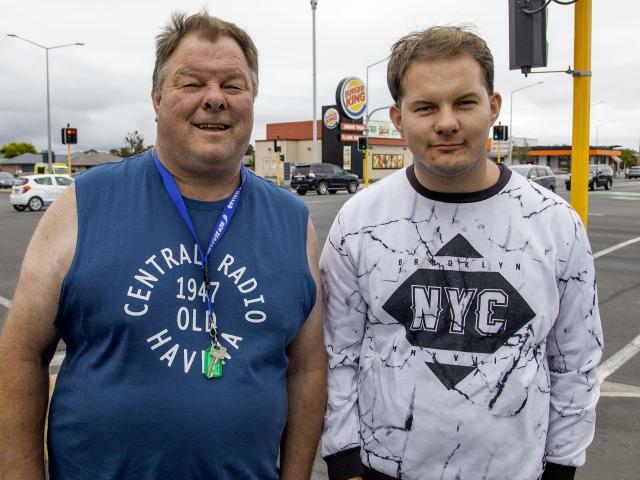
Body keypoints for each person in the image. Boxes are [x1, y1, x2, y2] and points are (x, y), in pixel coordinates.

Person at [0, 10, 326, 479]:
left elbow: (307, 369)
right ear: (156, 98)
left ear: (252, 100)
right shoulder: (82, 204)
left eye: (233, 85)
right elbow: (21, 356)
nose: (214, 99)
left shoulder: (293, 221)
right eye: (192, 83)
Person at [320, 25, 602, 480]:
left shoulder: (555, 223)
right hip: (382, 470)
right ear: (397, 118)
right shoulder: (359, 222)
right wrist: (344, 461)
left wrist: (562, 467)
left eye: (464, 102)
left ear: (492, 107)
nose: (447, 122)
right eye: (426, 106)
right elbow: (338, 355)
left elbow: (575, 362)